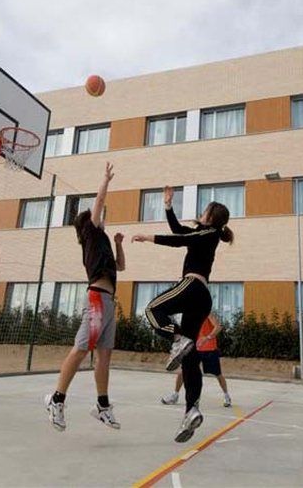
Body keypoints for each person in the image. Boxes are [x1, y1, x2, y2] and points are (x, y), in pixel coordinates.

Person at [132, 186, 233, 442]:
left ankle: (178, 340)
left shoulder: (209, 233)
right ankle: (191, 410)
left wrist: (147, 237)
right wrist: (167, 205)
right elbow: (179, 231)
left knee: (153, 309)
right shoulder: (205, 233)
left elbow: (178, 240)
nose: (201, 212)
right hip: (201, 298)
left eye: (205, 210)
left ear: (210, 217)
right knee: (190, 360)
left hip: (193, 287)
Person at [45, 162, 125, 432]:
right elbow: (99, 200)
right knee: (81, 350)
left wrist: (118, 244)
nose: (101, 216)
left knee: (104, 356)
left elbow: (121, 267)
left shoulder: (102, 242)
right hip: (96, 300)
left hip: (108, 302)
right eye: (97, 215)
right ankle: (56, 399)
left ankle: (102, 406)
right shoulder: (91, 233)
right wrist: (105, 180)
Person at [160, 313, 232, 408]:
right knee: (183, 371)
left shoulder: (208, 313)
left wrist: (207, 338)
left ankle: (226, 395)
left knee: (217, 374)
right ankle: (175, 395)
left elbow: (218, 327)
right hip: (194, 349)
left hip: (209, 349)